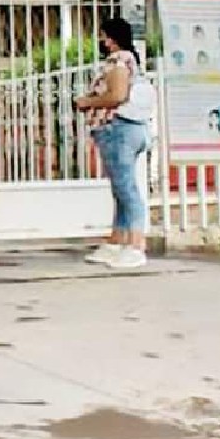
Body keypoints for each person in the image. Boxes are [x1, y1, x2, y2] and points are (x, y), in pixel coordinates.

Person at [76, 17, 154, 270]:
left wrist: (87, 102)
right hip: (128, 130)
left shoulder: (117, 61)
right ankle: (117, 241)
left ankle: (135, 244)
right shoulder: (131, 60)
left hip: (118, 129)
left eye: (102, 36)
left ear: (110, 38)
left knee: (126, 189)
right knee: (121, 189)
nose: (100, 41)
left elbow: (117, 96)